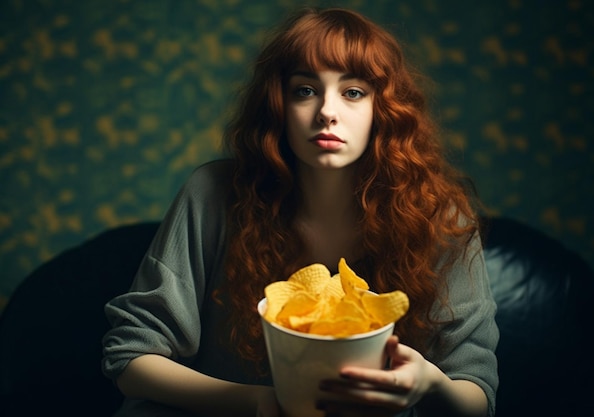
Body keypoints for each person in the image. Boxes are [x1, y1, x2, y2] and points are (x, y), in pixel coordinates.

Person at [102, 7, 499, 417]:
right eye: (305, 90)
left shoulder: (441, 216)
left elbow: (478, 396)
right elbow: (131, 359)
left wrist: (428, 382)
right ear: (279, 106)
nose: (327, 111)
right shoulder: (213, 195)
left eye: (353, 92)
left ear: (384, 109)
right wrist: (258, 402)